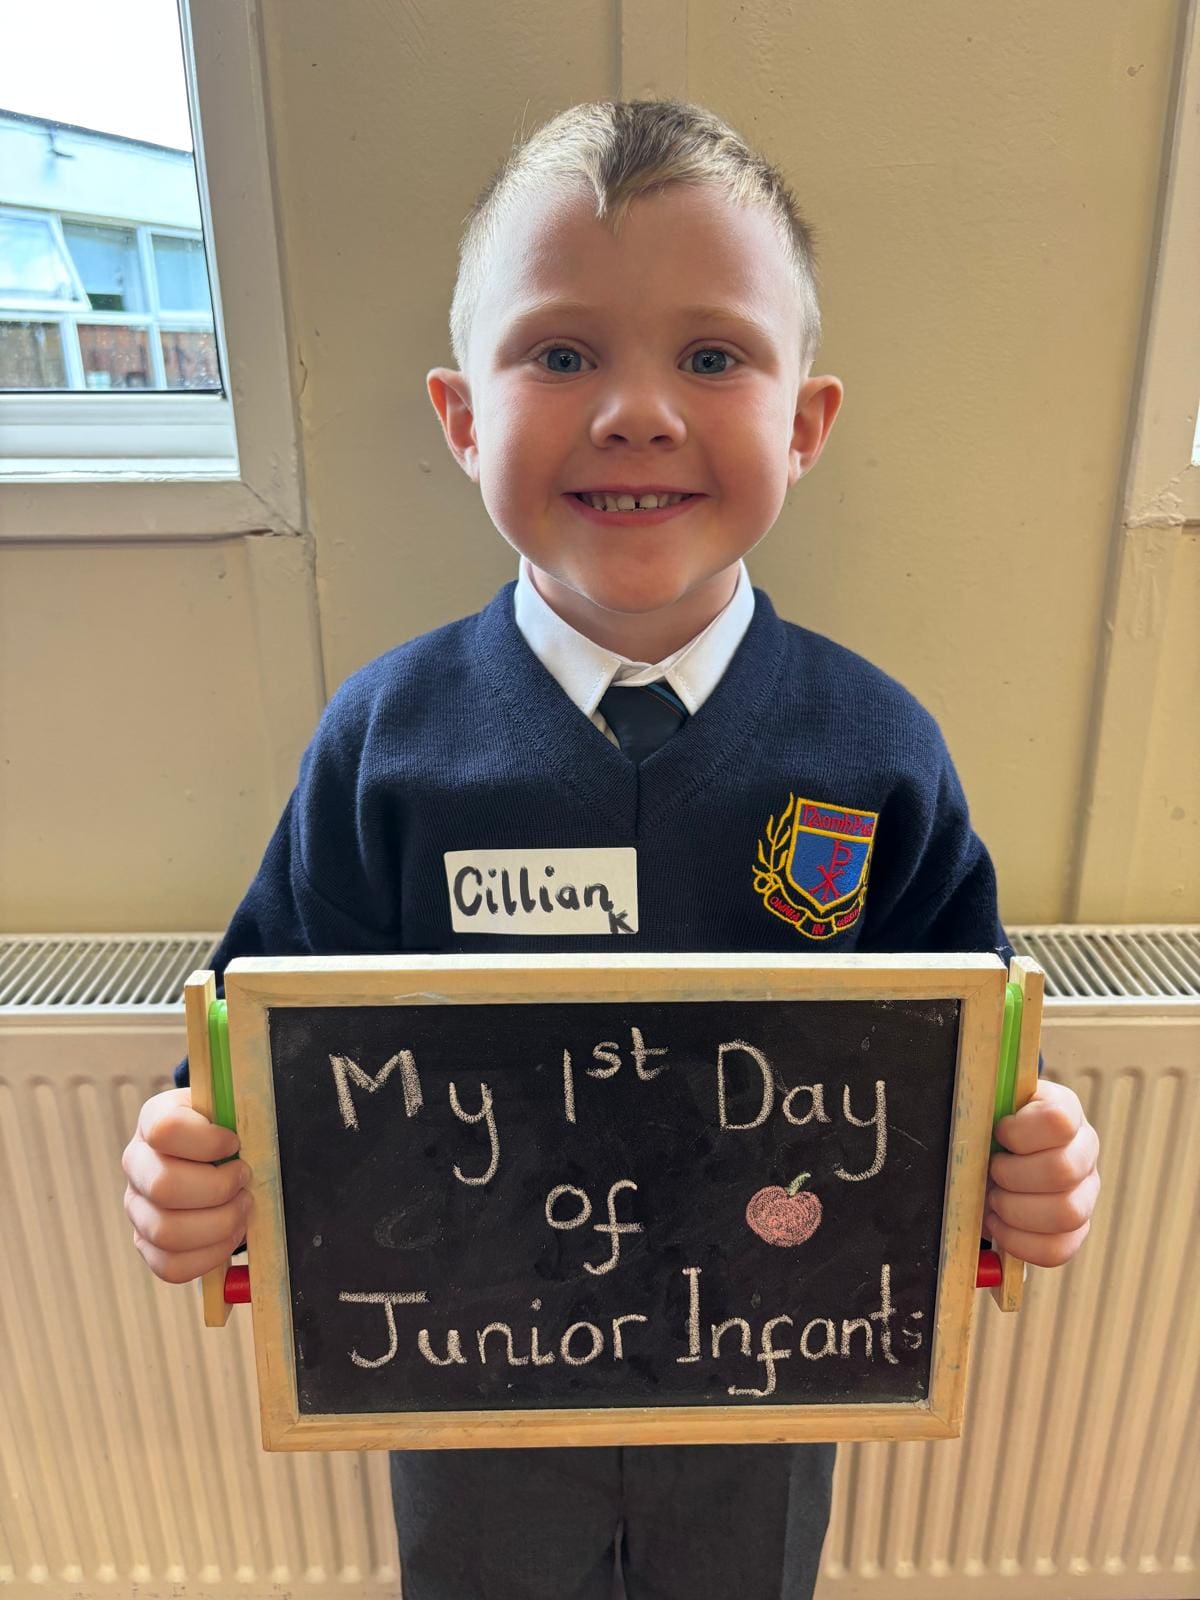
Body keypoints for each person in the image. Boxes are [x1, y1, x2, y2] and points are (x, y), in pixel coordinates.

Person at [122, 98, 1100, 1600]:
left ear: (804, 424)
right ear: (462, 418)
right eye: (561, 353)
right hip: (468, 1393)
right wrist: (190, 1160)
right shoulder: (384, 747)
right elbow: (250, 1053)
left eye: (711, 357)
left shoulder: (877, 753)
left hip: (763, 1394)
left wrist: (1032, 1160)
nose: (636, 410)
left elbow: (973, 1062)